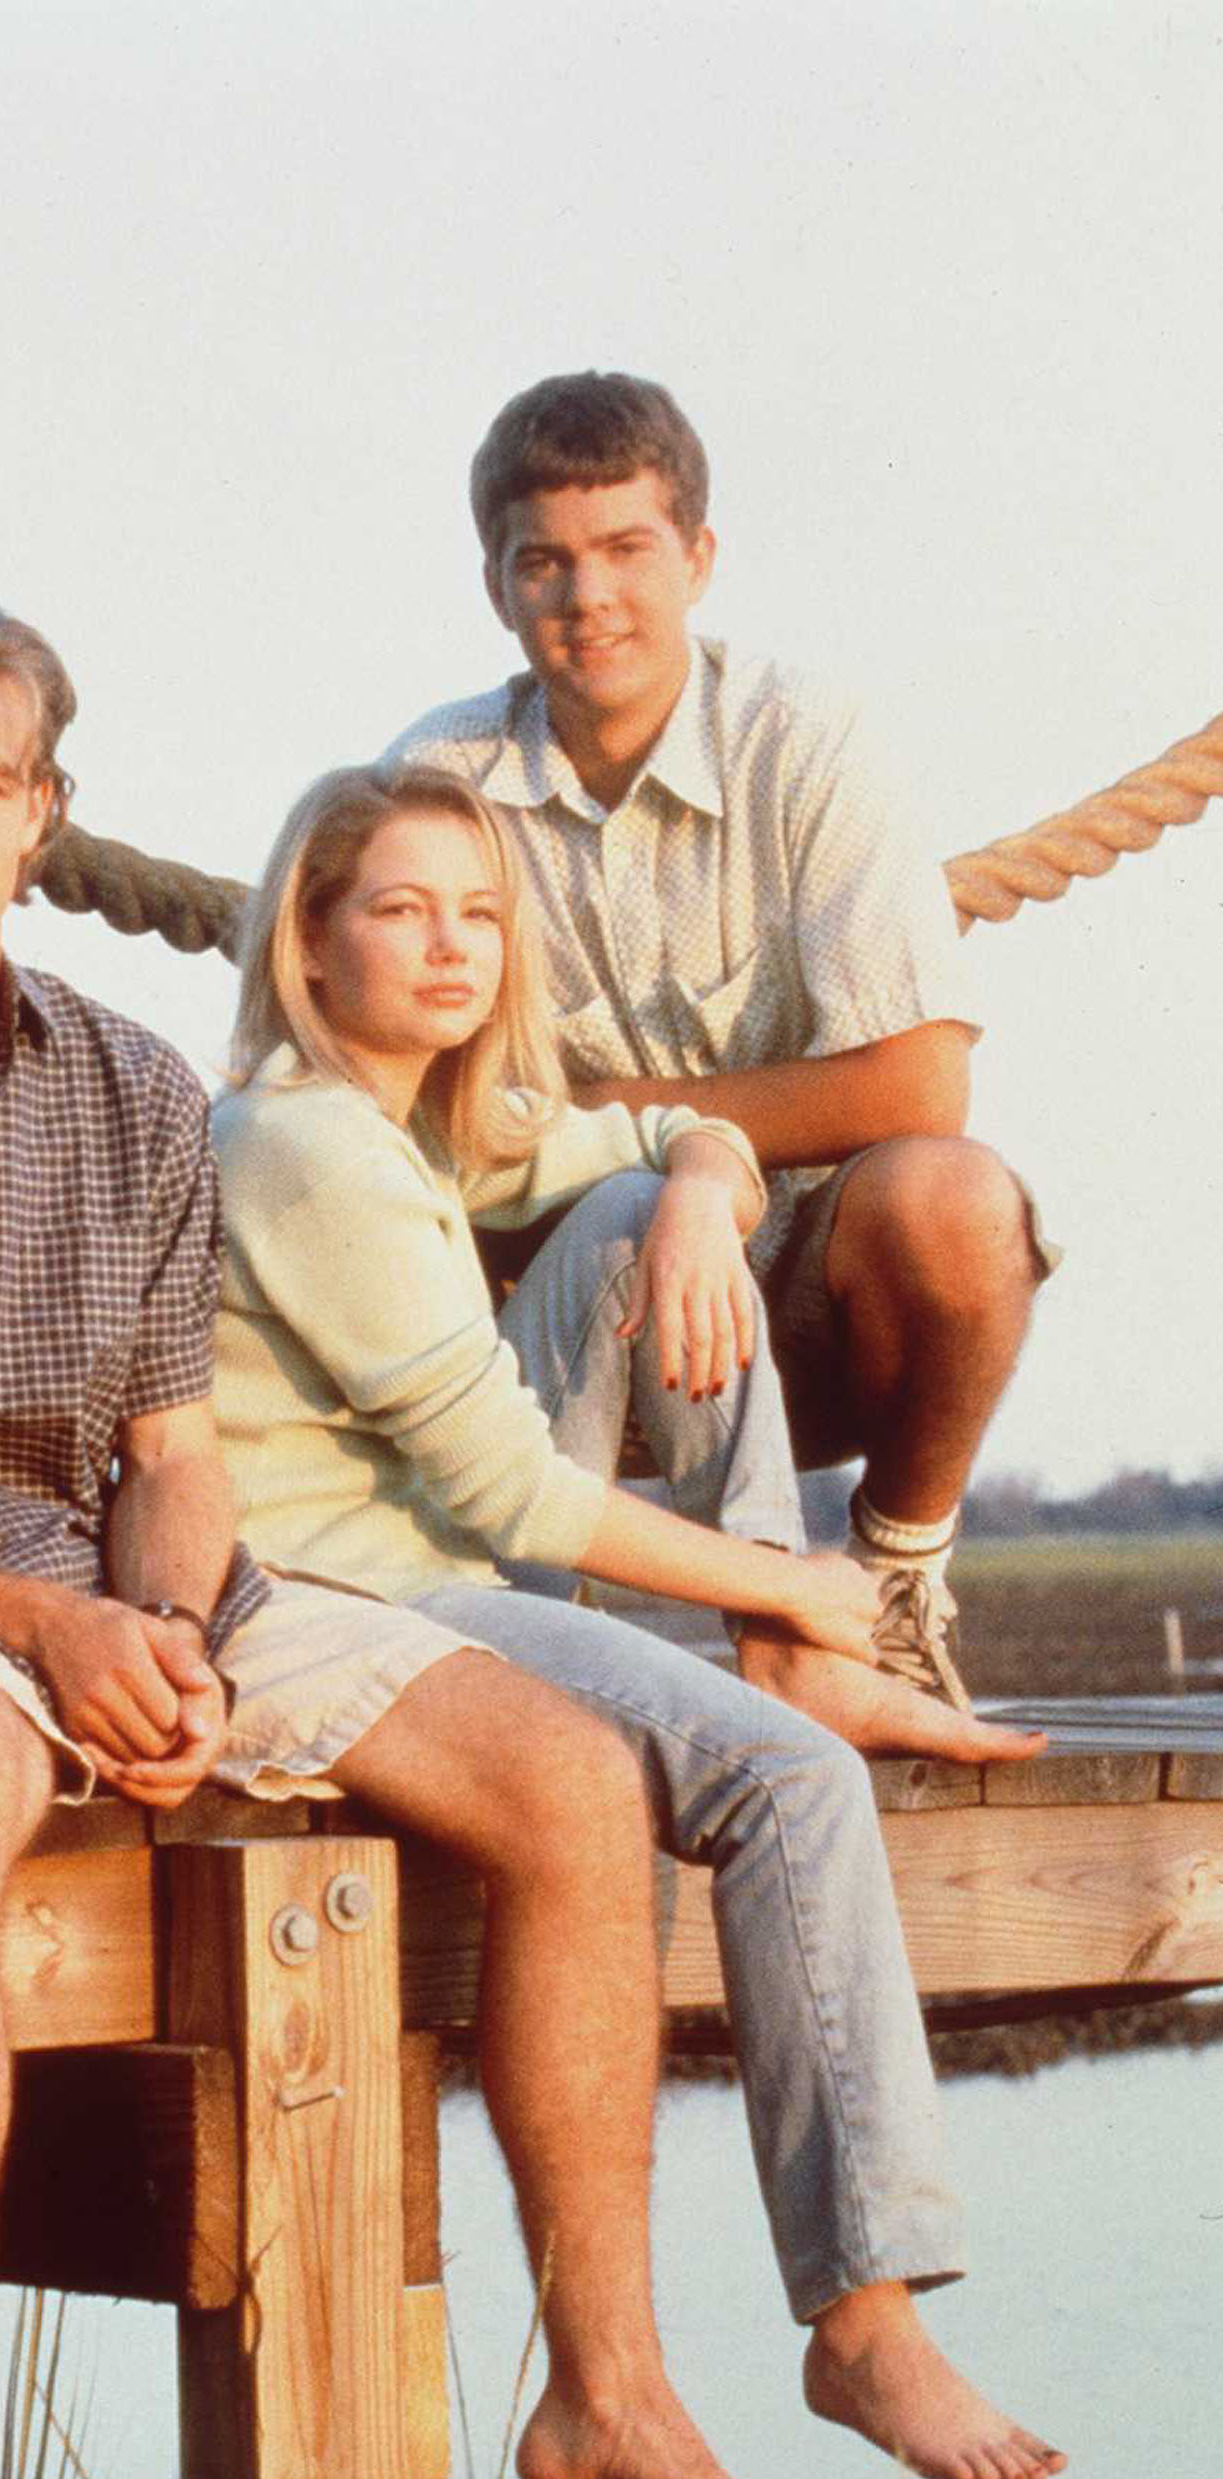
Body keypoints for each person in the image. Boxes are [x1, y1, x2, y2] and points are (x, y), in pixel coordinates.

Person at [0, 590, 875, 2479]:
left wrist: (166, 1617)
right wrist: (38, 1628)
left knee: (568, 1780)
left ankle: (605, 2380)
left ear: (46, 818)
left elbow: (166, 1446)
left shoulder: (118, 1086)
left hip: (100, 1576)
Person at [210, 757, 1064, 2479]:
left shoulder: (431, 1127)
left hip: (434, 1565)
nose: (448, 949)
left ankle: (780, 1634)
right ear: (307, 937)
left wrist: (691, 1183)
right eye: (397, 910)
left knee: (620, 1222)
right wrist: (805, 1589)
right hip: (352, 1600)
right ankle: (856, 2320)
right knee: (787, 1776)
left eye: (475, 913)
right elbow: (506, 1495)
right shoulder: (300, 1142)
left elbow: (656, 1142)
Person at [385, 369, 1054, 1725]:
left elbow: (920, 1081)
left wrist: (674, 1144)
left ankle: (889, 1581)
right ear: (497, 588)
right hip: (566, 1318)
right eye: (546, 564)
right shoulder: (439, 782)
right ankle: (509, 1635)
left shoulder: (803, 742)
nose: (590, 600)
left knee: (958, 1201)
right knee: (598, 1206)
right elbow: (397, 1104)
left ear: (696, 557)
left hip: (807, 1312)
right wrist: (655, 1171)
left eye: (628, 550)